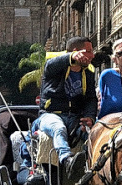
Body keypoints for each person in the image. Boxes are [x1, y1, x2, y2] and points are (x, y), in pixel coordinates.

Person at [36, 36, 97, 175]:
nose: (92, 55)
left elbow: (90, 98)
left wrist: (89, 117)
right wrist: (72, 56)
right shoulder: (53, 66)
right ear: (76, 51)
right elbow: (52, 64)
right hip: (50, 115)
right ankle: (67, 159)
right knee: (59, 128)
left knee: (97, 130)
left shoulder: (88, 73)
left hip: (75, 117)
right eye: (88, 51)